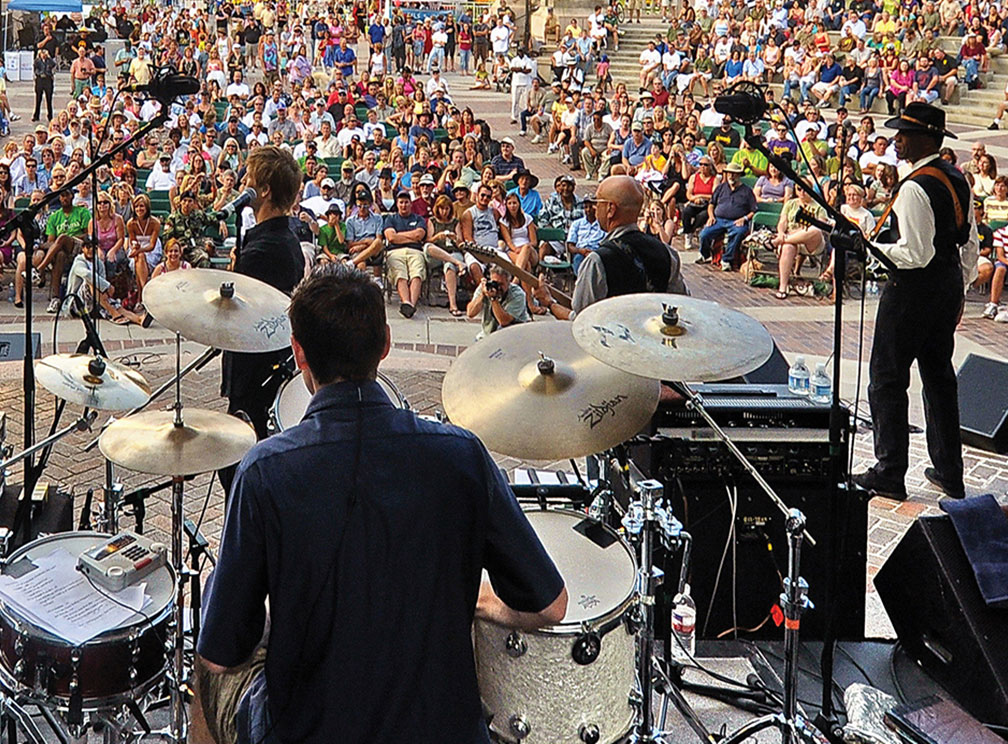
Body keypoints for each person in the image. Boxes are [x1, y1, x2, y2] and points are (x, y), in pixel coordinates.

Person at [195, 262, 566, 744]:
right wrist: (479, 602)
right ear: (386, 343)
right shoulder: (462, 456)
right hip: (443, 733)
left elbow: (222, 655)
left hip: (308, 731)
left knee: (206, 636)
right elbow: (551, 605)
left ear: (299, 354)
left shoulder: (266, 471)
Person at [854, 101, 974, 503]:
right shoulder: (956, 177)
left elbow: (915, 253)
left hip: (911, 290)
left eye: (904, 133)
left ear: (927, 138)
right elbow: (969, 241)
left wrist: (868, 249)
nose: (897, 139)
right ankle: (948, 471)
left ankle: (890, 471)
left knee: (887, 378)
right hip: (946, 284)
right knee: (939, 377)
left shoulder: (915, 188)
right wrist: (961, 288)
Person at [219, 146, 306, 440]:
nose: (243, 185)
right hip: (266, 370)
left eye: (248, 180)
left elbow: (241, 316)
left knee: (241, 460)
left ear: (265, 191)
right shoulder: (283, 239)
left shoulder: (265, 250)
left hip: (255, 375)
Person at [569, 173, 687, 311]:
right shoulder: (668, 253)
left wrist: (551, 304)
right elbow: (681, 302)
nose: (595, 208)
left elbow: (581, 317)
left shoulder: (597, 261)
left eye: (597, 203)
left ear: (610, 209)